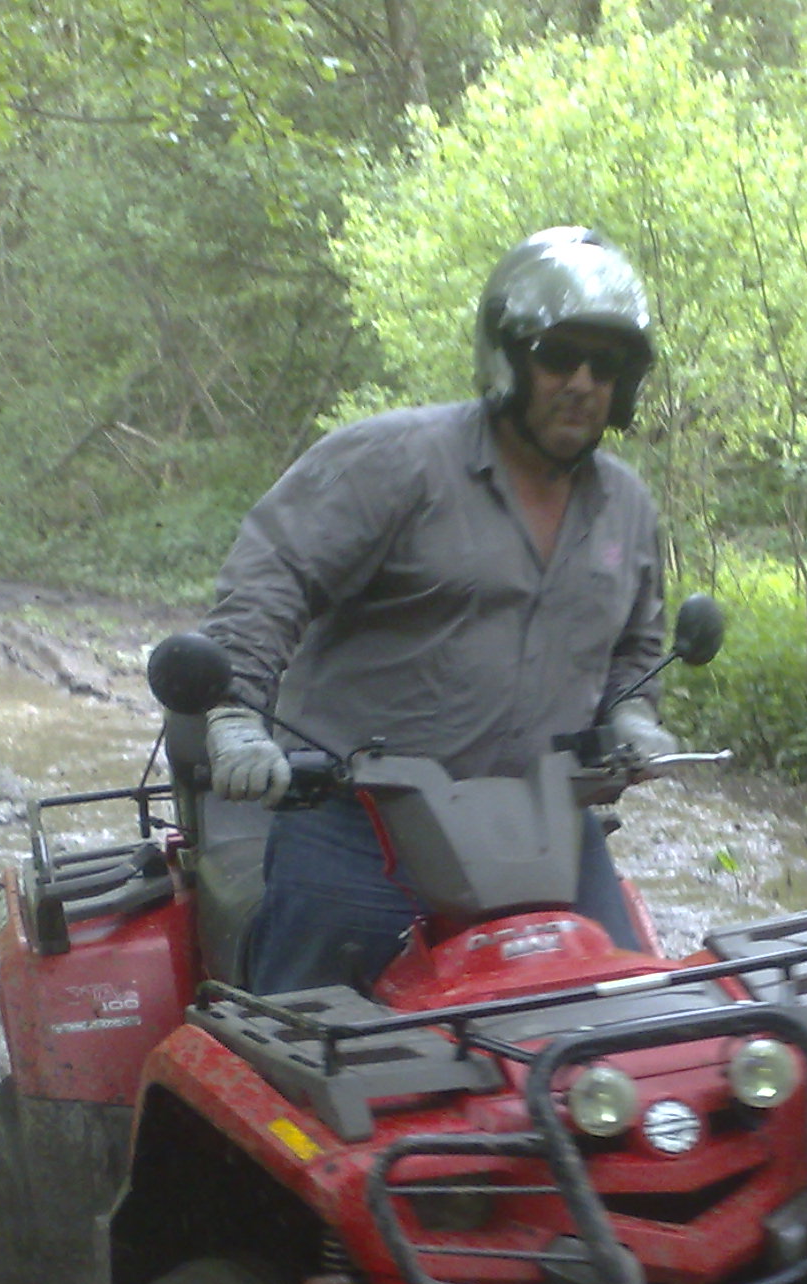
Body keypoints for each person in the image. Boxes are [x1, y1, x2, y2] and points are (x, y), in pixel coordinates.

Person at [192, 225, 682, 995]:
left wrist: (632, 713)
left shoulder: (627, 506)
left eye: (608, 365)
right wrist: (233, 714)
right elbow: (274, 574)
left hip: (542, 823)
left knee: (629, 1024)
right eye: (561, 356)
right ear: (510, 357)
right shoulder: (394, 463)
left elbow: (637, 639)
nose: (584, 382)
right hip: (365, 820)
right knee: (310, 1058)